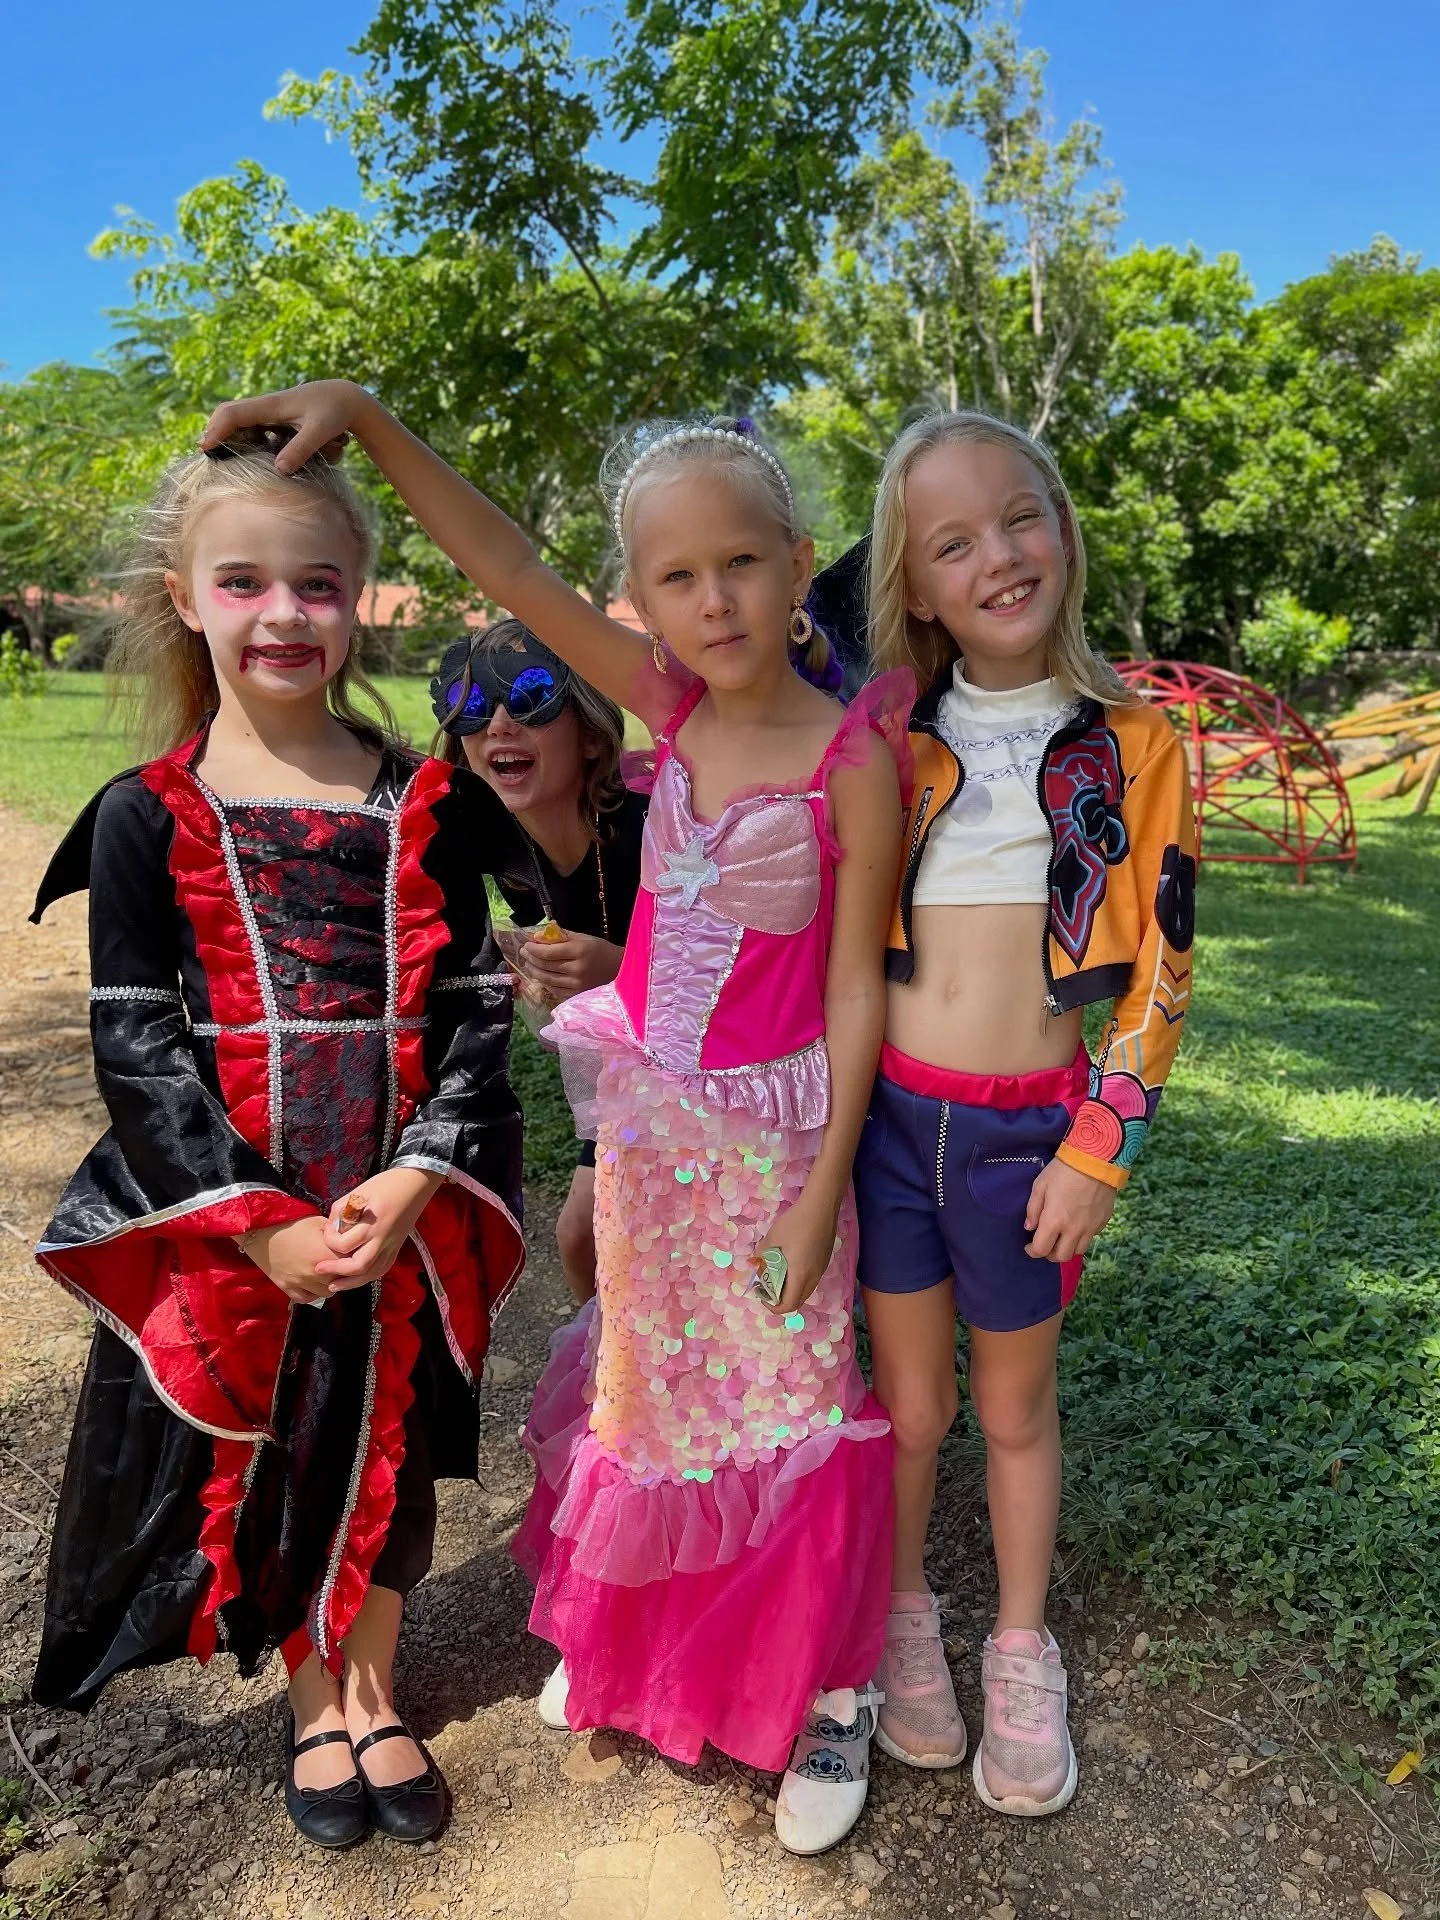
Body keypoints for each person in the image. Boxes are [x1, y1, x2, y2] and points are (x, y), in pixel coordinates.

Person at [201, 384, 910, 1855]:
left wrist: (816, 1190)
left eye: (742, 562)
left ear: (796, 563)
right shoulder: (663, 707)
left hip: (780, 1154)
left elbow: (854, 997)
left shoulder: (857, 759)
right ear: (641, 599)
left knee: (793, 1403)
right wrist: (378, 422)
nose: (713, 600)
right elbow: (510, 570)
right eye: (674, 577)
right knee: (652, 1386)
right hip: (655, 1140)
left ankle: (824, 1687)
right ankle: (641, 1637)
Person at [29, 428, 525, 1851]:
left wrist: (420, 1168)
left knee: (402, 1438)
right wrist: (260, 1221)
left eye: (317, 583)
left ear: (361, 594)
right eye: (243, 581)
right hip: (253, 1220)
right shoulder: (143, 819)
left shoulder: (426, 803)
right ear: (186, 597)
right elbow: (137, 1045)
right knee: (288, 1449)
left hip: (403, 1206)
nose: (283, 614)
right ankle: (314, 1703)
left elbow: (478, 1007)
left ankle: (377, 1681)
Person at [846, 411, 1195, 1815]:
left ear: (1064, 528)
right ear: (914, 585)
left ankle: (1019, 1643)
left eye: (1021, 517)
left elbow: (1164, 964)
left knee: (1011, 1406)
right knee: (910, 1409)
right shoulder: (884, 739)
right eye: (953, 541)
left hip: (1027, 1142)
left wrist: (1099, 1153)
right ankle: (903, 1612)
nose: (999, 555)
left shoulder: (1139, 742)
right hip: (888, 1133)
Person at [430, 620, 647, 1302]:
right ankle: (605, 1385)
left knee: (606, 1235)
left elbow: (735, 978)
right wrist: (519, 967)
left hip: (709, 1084)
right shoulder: (499, 849)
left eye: (529, 699)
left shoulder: (650, 830)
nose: (497, 724)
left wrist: (620, 970)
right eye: (470, 707)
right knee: (580, 1237)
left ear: (589, 735)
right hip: (616, 1076)